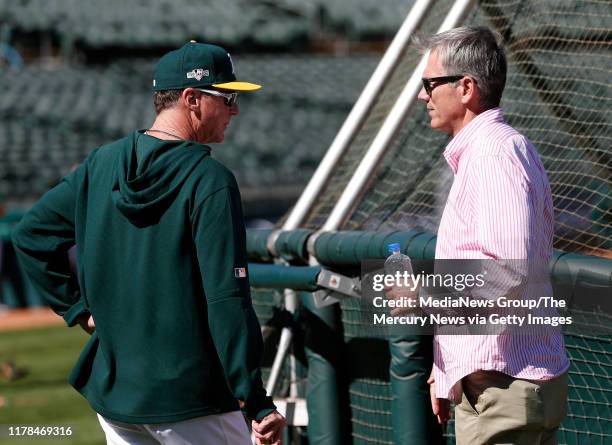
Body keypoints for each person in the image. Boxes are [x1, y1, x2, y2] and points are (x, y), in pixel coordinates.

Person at [12, 41, 285, 445]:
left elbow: (31, 234)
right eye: (227, 98)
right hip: (193, 398)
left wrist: (81, 311)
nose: (235, 110)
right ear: (192, 99)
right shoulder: (209, 179)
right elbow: (226, 298)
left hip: (119, 395)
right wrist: (256, 400)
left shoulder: (101, 163)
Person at [413, 26, 570, 444]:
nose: (422, 95)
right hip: (499, 382)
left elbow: (504, 271)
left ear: (466, 87)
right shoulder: (495, 150)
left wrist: (422, 297)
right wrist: (449, 367)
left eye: (429, 84)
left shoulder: (493, 154)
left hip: (503, 388)